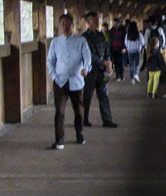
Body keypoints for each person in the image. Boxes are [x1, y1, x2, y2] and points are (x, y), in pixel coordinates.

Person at [46, 12, 91, 149]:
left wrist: (85, 68)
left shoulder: (81, 41)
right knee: (59, 111)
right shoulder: (55, 42)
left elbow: (87, 57)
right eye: (62, 24)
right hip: (60, 81)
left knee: (78, 110)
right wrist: (53, 75)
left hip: (76, 80)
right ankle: (59, 139)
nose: (65, 27)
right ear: (60, 26)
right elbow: (50, 61)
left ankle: (79, 133)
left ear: (73, 25)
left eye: (68, 24)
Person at [81, 11, 118, 128]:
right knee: (87, 95)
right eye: (95, 20)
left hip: (102, 69)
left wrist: (109, 62)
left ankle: (107, 120)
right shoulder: (84, 37)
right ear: (88, 22)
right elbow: (89, 55)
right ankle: (83, 119)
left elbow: (107, 50)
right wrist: (104, 62)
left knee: (103, 94)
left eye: (99, 20)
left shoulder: (101, 35)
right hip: (91, 70)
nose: (98, 23)